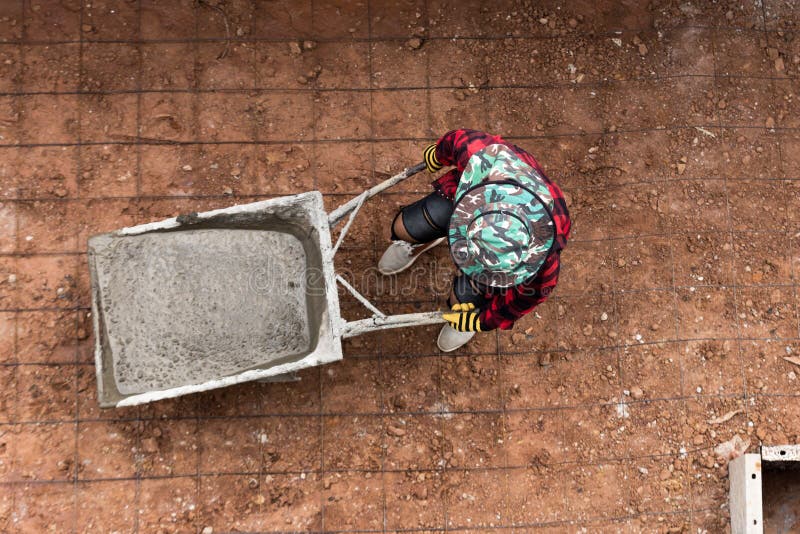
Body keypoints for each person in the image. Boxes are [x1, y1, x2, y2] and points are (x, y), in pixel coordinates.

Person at [378, 129, 571, 352]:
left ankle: (464, 321)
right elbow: (460, 140)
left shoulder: (543, 264)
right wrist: (440, 153)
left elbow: (522, 301)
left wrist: (483, 320)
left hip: (487, 230)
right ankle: (420, 243)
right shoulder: (486, 158)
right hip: (474, 196)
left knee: (461, 302)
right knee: (406, 226)